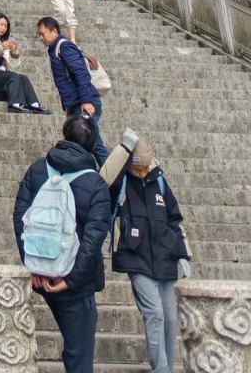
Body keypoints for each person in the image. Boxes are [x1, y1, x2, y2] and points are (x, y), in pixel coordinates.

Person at [13, 115, 112, 373]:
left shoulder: (37, 170)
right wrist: (71, 280)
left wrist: (33, 266)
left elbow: (20, 218)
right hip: (73, 283)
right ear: (93, 145)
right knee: (80, 356)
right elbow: (93, 239)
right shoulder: (96, 184)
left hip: (40, 274)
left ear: (64, 135)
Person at [108, 136, 192, 373]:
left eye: (145, 168)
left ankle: (168, 367)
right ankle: (161, 369)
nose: (142, 172)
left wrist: (183, 253)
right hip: (135, 256)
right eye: (138, 169)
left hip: (165, 256)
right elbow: (103, 179)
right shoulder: (121, 180)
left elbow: (174, 219)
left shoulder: (159, 181)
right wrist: (123, 149)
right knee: (154, 313)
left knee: (170, 318)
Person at [37, 18, 109, 166]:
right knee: (84, 143)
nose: (41, 38)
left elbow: (80, 73)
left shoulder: (64, 47)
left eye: (43, 33)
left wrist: (86, 100)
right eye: (39, 34)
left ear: (54, 31)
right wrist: (68, 108)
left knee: (92, 143)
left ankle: (114, 177)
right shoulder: (55, 49)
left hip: (85, 101)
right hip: (77, 103)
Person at [0, 14, 50, 113]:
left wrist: (14, 52)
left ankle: (34, 104)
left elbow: (13, 67)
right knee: (13, 77)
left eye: (6, 26)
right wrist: (1, 48)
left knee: (23, 78)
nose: (3, 28)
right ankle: (15, 105)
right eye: (1, 24)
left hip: (0, 76)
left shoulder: (3, 42)